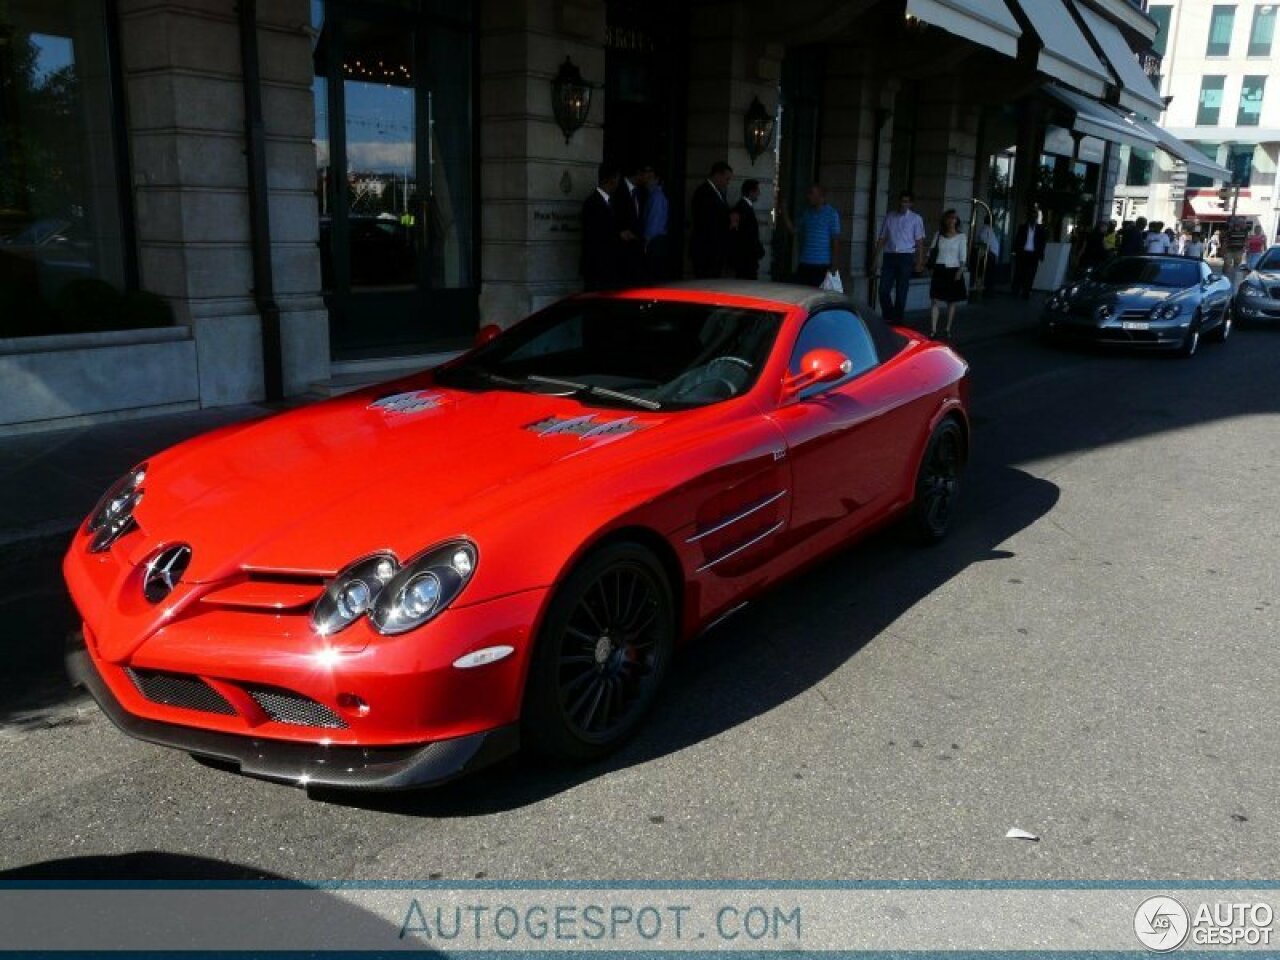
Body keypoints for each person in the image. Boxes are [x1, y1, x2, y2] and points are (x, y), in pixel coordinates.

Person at [873, 190, 926, 320]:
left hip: (905, 256)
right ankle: (890, 315)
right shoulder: (890, 216)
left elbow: (919, 241)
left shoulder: (916, 219)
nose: (903, 204)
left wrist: (919, 262)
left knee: (901, 290)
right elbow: (882, 238)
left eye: (906, 202)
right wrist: (875, 259)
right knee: (883, 290)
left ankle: (897, 319)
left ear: (911, 204)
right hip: (890, 255)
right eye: (902, 201)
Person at [785, 183, 842, 287]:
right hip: (805, 263)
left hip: (821, 265)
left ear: (821, 196)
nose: (808, 196)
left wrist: (834, 266)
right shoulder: (807, 213)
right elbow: (794, 230)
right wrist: (784, 213)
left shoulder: (832, 214)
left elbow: (836, 241)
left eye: (811, 193)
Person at [580, 163, 625, 291]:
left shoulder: (611, 202)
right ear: (611, 179)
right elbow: (596, 233)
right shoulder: (592, 202)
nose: (617, 183)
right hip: (596, 265)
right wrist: (619, 235)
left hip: (607, 265)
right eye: (617, 179)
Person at [927, 209, 967, 340]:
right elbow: (931, 251)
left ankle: (947, 328)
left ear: (957, 221)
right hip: (939, 268)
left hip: (953, 269)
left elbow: (963, 256)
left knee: (951, 301)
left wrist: (960, 271)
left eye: (954, 218)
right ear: (945, 220)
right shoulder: (938, 235)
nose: (951, 221)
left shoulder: (961, 237)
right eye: (949, 218)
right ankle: (933, 330)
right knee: (935, 300)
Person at [689, 161, 733, 278]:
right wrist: (728, 221)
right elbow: (707, 222)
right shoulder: (704, 192)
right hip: (706, 251)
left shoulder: (718, 193)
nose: (727, 183)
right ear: (718, 175)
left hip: (714, 250)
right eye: (726, 179)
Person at [636, 165, 671, 282]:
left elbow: (653, 224)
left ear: (657, 179)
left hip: (654, 243)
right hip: (655, 242)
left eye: (650, 176)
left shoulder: (656, 197)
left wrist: (646, 243)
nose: (646, 178)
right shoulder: (651, 195)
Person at [614, 163, 646, 284]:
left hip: (636, 250)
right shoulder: (618, 189)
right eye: (644, 174)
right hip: (622, 250)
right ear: (638, 174)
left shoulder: (640, 192)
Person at [730, 179, 765, 280]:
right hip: (746, 258)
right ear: (751, 192)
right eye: (757, 190)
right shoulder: (743, 207)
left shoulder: (744, 207)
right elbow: (746, 235)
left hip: (746, 257)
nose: (759, 193)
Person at [1012, 208, 1046, 298]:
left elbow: (1042, 243)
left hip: (1033, 255)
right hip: (1023, 254)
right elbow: (1017, 240)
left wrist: (1041, 255)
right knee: (1019, 273)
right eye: (1032, 217)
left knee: (1030, 275)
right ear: (1029, 217)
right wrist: (1015, 251)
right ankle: (1015, 291)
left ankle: (1026, 293)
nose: (1033, 219)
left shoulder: (1040, 229)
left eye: (1035, 217)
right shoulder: (1022, 227)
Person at [976, 215, 1000, 291]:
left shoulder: (990, 229)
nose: (995, 222)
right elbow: (983, 241)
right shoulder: (985, 229)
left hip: (992, 255)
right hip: (989, 255)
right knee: (989, 275)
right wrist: (989, 252)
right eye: (994, 220)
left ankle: (989, 289)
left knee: (991, 274)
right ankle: (987, 290)